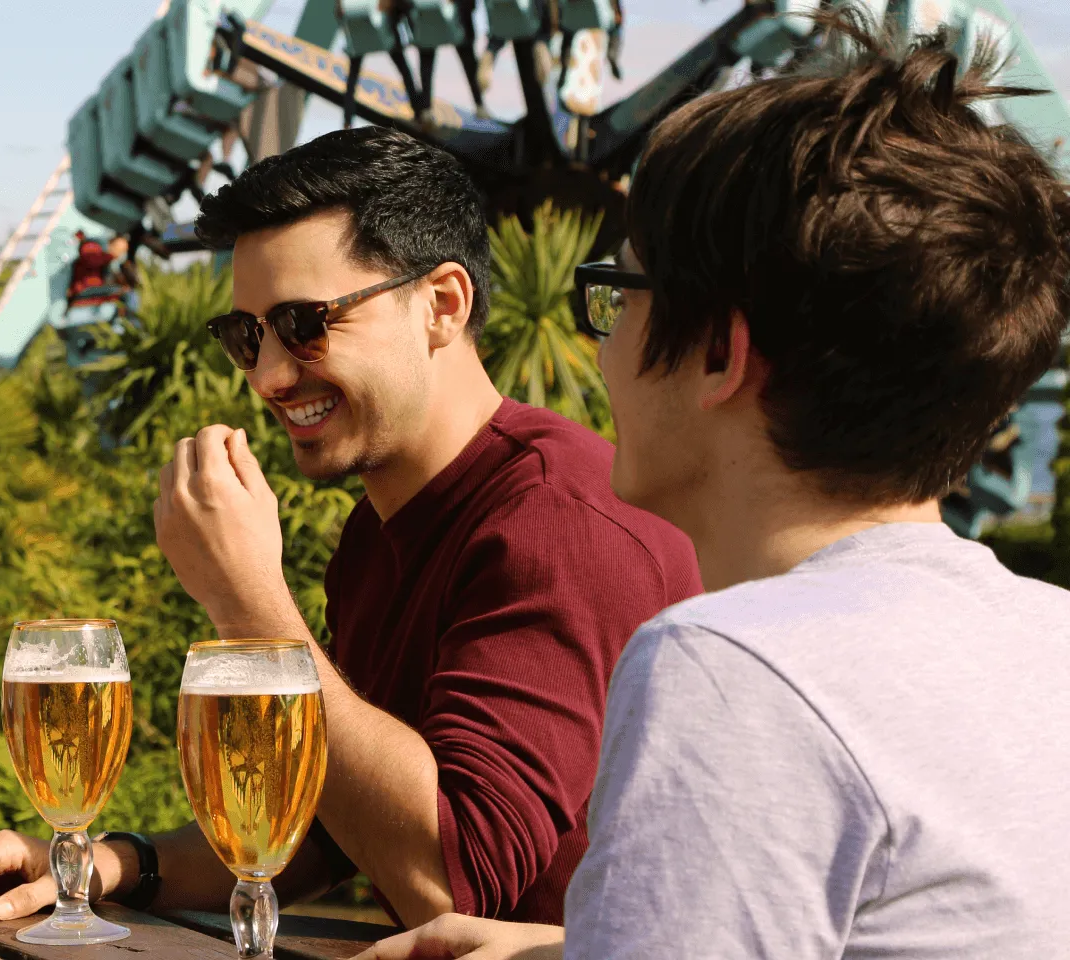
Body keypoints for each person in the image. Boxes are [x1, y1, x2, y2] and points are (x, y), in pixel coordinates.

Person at [357, 16, 1070, 960]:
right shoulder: (1044, 636)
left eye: (618, 293)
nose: (598, 346)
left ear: (720, 352)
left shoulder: (733, 667)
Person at [0, 127, 702, 932]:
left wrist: (249, 602)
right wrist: (109, 864)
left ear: (442, 305)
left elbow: (452, 883)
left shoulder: (559, 523)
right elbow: (340, 822)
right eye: (245, 336)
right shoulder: (378, 532)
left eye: (304, 322)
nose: (267, 375)